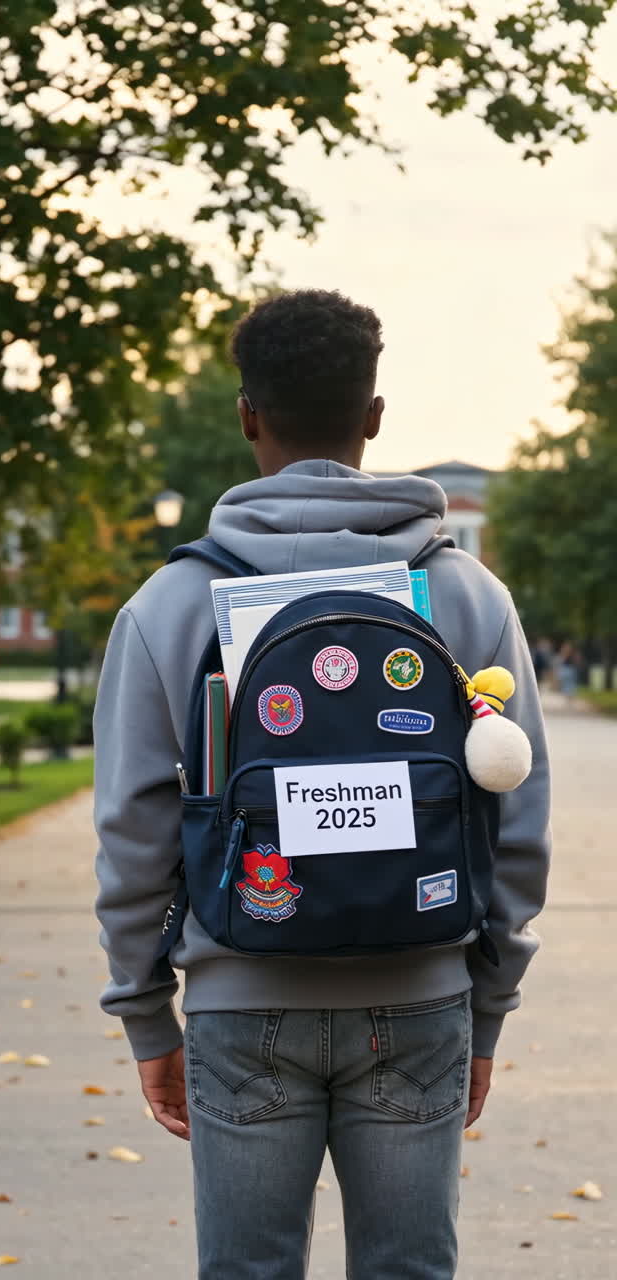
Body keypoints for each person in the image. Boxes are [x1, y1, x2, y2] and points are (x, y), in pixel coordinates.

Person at [94, 290, 550, 1280]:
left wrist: (144, 1009)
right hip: (420, 991)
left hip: (239, 992)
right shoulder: (468, 593)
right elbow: (519, 818)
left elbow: (131, 826)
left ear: (246, 412)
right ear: (374, 415)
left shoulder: (171, 601)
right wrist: (489, 1003)